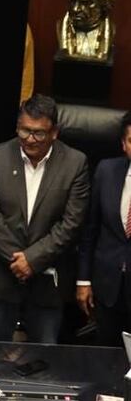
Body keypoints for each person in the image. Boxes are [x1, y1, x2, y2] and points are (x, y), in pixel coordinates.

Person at [0, 94, 89, 343]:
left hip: (48, 281)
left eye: (39, 133)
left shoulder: (75, 163)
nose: (30, 139)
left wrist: (33, 259)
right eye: (24, 131)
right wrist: (17, 260)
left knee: (45, 357)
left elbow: (71, 223)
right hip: (1, 274)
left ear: (54, 132)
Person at [77, 112, 131, 346]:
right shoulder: (106, 171)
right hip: (108, 287)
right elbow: (90, 229)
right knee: (105, 359)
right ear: (123, 144)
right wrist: (83, 280)